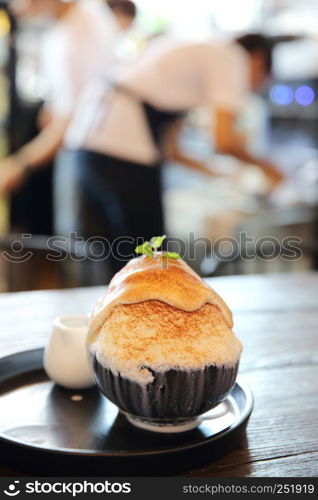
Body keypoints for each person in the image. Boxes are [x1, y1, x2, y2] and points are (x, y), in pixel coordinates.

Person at [62, 34, 284, 273]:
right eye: (260, 81)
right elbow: (224, 140)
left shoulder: (191, 50)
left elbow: (173, 152)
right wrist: (269, 169)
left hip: (88, 146)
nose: (250, 89)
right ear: (258, 60)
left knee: (120, 258)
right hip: (123, 149)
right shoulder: (231, 57)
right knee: (149, 259)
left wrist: (222, 174)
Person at [0, 0, 119, 196]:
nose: (13, 6)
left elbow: (70, 118)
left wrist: (19, 165)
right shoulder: (87, 14)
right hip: (94, 147)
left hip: (91, 151)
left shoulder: (72, 35)